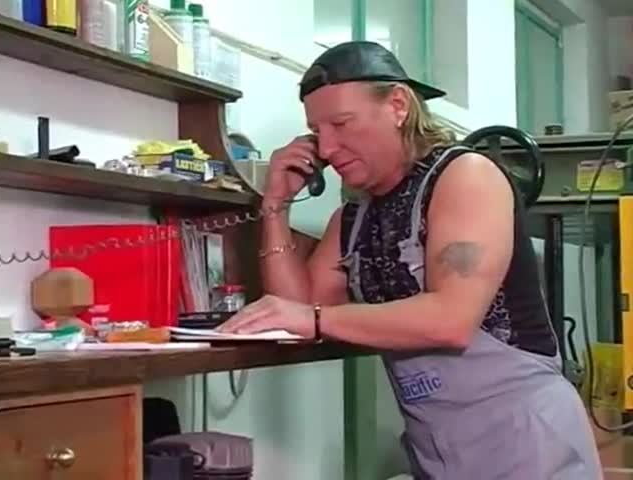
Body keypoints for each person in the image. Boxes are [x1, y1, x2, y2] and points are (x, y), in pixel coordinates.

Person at [218, 41, 602, 479]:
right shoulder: (353, 220)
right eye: (316, 131)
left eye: (341, 124)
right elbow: (294, 315)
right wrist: (274, 205)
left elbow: (451, 319)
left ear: (398, 105)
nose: (328, 147)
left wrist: (315, 318)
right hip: (438, 449)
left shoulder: (466, 176)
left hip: (525, 443)